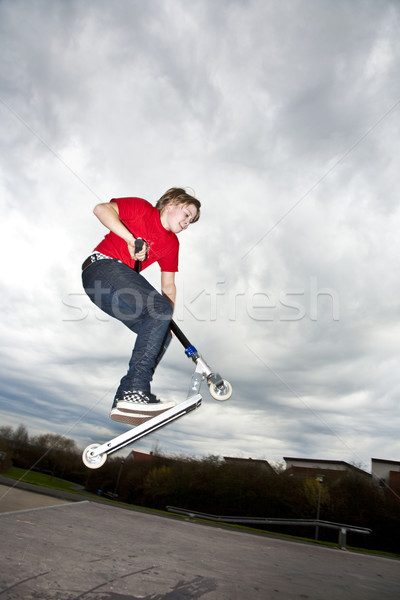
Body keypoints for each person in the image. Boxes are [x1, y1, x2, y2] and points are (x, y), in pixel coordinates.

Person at [82, 187, 201, 426]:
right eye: (187, 214)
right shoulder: (142, 209)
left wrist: (165, 319)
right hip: (101, 270)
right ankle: (135, 390)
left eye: (192, 221)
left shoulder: (172, 244)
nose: (188, 222)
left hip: (117, 292)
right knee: (159, 311)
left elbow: (168, 286)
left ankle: (126, 397)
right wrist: (130, 239)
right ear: (171, 204)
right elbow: (101, 209)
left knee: (162, 334)